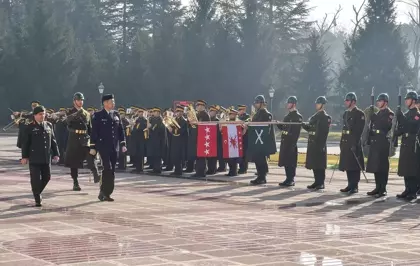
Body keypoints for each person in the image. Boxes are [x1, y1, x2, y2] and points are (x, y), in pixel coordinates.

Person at [21, 105, 59, 207]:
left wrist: (56, 154)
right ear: (35, 116)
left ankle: (37, 192)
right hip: (34, 158)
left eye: (43, 114)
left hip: (46, 157)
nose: (42, 116)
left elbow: (53, 141)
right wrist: (24, 157)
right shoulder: (30, 127)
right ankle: (37, 198)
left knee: (47, 177)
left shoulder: (49, 125)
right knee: (35, 179)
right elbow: (25, 143)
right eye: (40, 114)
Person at [91, 94, 126, 202]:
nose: (113, 103)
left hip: (114, 147)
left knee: (112, 170)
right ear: (105, 103)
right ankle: (105, 192)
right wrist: (93, 146)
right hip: (103, 147)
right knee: (107, 168)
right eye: (111, 101)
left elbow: (121, 130)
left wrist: (123, 144)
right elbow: (94, 132)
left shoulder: (116, 114)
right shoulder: (98, 115)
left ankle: (105, 192)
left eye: (113, 101)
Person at [65, 92, 101, 190]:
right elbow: (67, 123)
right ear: (74, 101)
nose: (80, 102)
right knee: (74, 162)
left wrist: (93, 141)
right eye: (78, 100)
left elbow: (90, 128)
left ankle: (96, 174)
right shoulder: (69, 111)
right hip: (74, 139)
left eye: (82, 100)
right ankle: (75, 182)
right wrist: (77, 114)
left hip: (85, 138)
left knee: (91, 155)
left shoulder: (87, 113)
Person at [365, 93, 394, 198]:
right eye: (377, 101)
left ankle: (383, 188)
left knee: (382, 166)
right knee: (375, 165)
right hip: (375, 141)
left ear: (385, 102)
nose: (378, 102)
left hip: (382, 141)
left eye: (380, 101)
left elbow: (386, 126)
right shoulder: (377, 114)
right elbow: (371, 127)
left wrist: (375, 117)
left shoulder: (389, 113)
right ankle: (377, 187)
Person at [302, 96, 331, 190]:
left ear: (323, 105)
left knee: (320, 164)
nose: (316, 105)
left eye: (318, 103)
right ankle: (316, 181)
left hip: (319, 143)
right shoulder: (314, 116)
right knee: (314, 163)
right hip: (312, 142)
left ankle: (321, 182)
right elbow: (310, 128)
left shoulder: (325, 117)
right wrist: (304, 125)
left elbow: (324, 132)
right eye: (317, 103)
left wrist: (321, 144)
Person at [339, 92, 365, 194]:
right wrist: (342, 142)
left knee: (354, 166)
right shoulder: (346, 113)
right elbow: (344, 129)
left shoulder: (359, 114)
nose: (346, 102)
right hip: (346, 142)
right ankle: (350, 184)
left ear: (353, 102)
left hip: (354, 143)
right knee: (348, 164)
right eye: (346, 100)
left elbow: (358, 130)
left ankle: (355, 186)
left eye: (348, 100)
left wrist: (354, 144)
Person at [396, 91, 420, 201]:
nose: (406, 100)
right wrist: (396, 132)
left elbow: (410, 125)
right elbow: (403, 126)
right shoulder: (407, 113)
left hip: (412, 141)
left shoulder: (417, 114)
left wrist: (400, 117)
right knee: (405, 166)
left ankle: (413, 191)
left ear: (413, 101)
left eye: (408, 99)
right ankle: (407, 189)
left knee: (412, 167)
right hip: (405, 141)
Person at [249, 95, 274, 185]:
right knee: (257, 158)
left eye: (257, 103)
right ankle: (260, 175)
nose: (256, 104)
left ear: (262, 103)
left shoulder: (266, 114)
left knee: (261, 159)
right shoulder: (258, 113)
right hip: (257, 139)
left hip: (262, 140)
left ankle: (262, 177)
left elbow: (265, 128)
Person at [278, 96, 302, 187]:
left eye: (289, 103)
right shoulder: (287, 116)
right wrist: (279, 125)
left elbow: (295, 132)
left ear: (294, 104)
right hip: (285, 141)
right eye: (287, 103)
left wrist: (293, 143)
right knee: (286, 162)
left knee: (291, 162)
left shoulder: (297, 116)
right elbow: (284, 129)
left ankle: (291, 179)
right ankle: (287, 178)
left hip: (291, 142)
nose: (287, 104)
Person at [191, 100, 210, 178]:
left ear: (202, 106)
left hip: (202, 137)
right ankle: (198, 171)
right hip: (198, 136)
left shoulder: (205, 115)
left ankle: (201, 172)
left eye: (198, 106)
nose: (197, 107)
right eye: (197, 106)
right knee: (198, 156)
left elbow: (204, 125)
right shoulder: (198, 114)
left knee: (201, 156)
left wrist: (196, 123)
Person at [168, 105, 188, 176]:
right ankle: (176, 170)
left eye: (180, 111)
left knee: (178, 156)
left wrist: (172, 130)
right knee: (174, 156)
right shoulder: (174, 120)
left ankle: (179, 171)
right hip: (174, 140)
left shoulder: (184, 121)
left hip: (180, 141)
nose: (178, 113)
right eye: (177, 111)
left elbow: (181, 131)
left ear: (182, 112)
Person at [146, 107, 166, 174]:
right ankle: (155, 168)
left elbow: (158, 129)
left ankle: (157, 169)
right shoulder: (153, 119)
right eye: (154, 112)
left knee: (157, 156)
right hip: (153, 140)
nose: (154, 113)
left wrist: (151, 126)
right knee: (154, 155)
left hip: (158, 141)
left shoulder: (159, 120)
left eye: (156, 112)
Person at [130, 108, 148, 173]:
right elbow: (134, 130)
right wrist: (132, 126)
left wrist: (135, 127)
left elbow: (142, 129)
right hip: (136, 139)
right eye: (139, 112)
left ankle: (141, 168)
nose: (140, 113)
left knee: (141, 154)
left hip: (141, 139)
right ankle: (137, 167)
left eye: (141, 112)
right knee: (137, 154)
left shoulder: (144, 120)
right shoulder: (136, 120)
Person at [225, 108, 240, 177]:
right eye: (230, 114)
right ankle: (231, 171)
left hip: (235, 142)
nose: (231, 115)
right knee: (229, 158)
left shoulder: (238, 122)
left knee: (234, 158)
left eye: (232, 114)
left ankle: (234, 171)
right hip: (228, 142)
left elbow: (242, 132)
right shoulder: (226, 122)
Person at [207, 105, 219, 175]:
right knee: (209, 156)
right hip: (209, 139)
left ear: (215, 113)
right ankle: (209, 169)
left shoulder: (217, 120)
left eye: (213, 112)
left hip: (215, 140)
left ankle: (213, 169)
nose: (211, 113)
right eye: (210, 111)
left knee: (213, 157)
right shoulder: (208, 119)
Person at [237, 105, 250, 174]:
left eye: (240, 110)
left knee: (244, 154)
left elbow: (246, 123)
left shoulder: (247, 116)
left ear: (244, 110)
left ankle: (244, 168)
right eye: (239, 110)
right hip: (239, 137)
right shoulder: (238, 117)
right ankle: (241, 167)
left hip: (245, 137)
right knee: (240, 153)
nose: (239, 111)